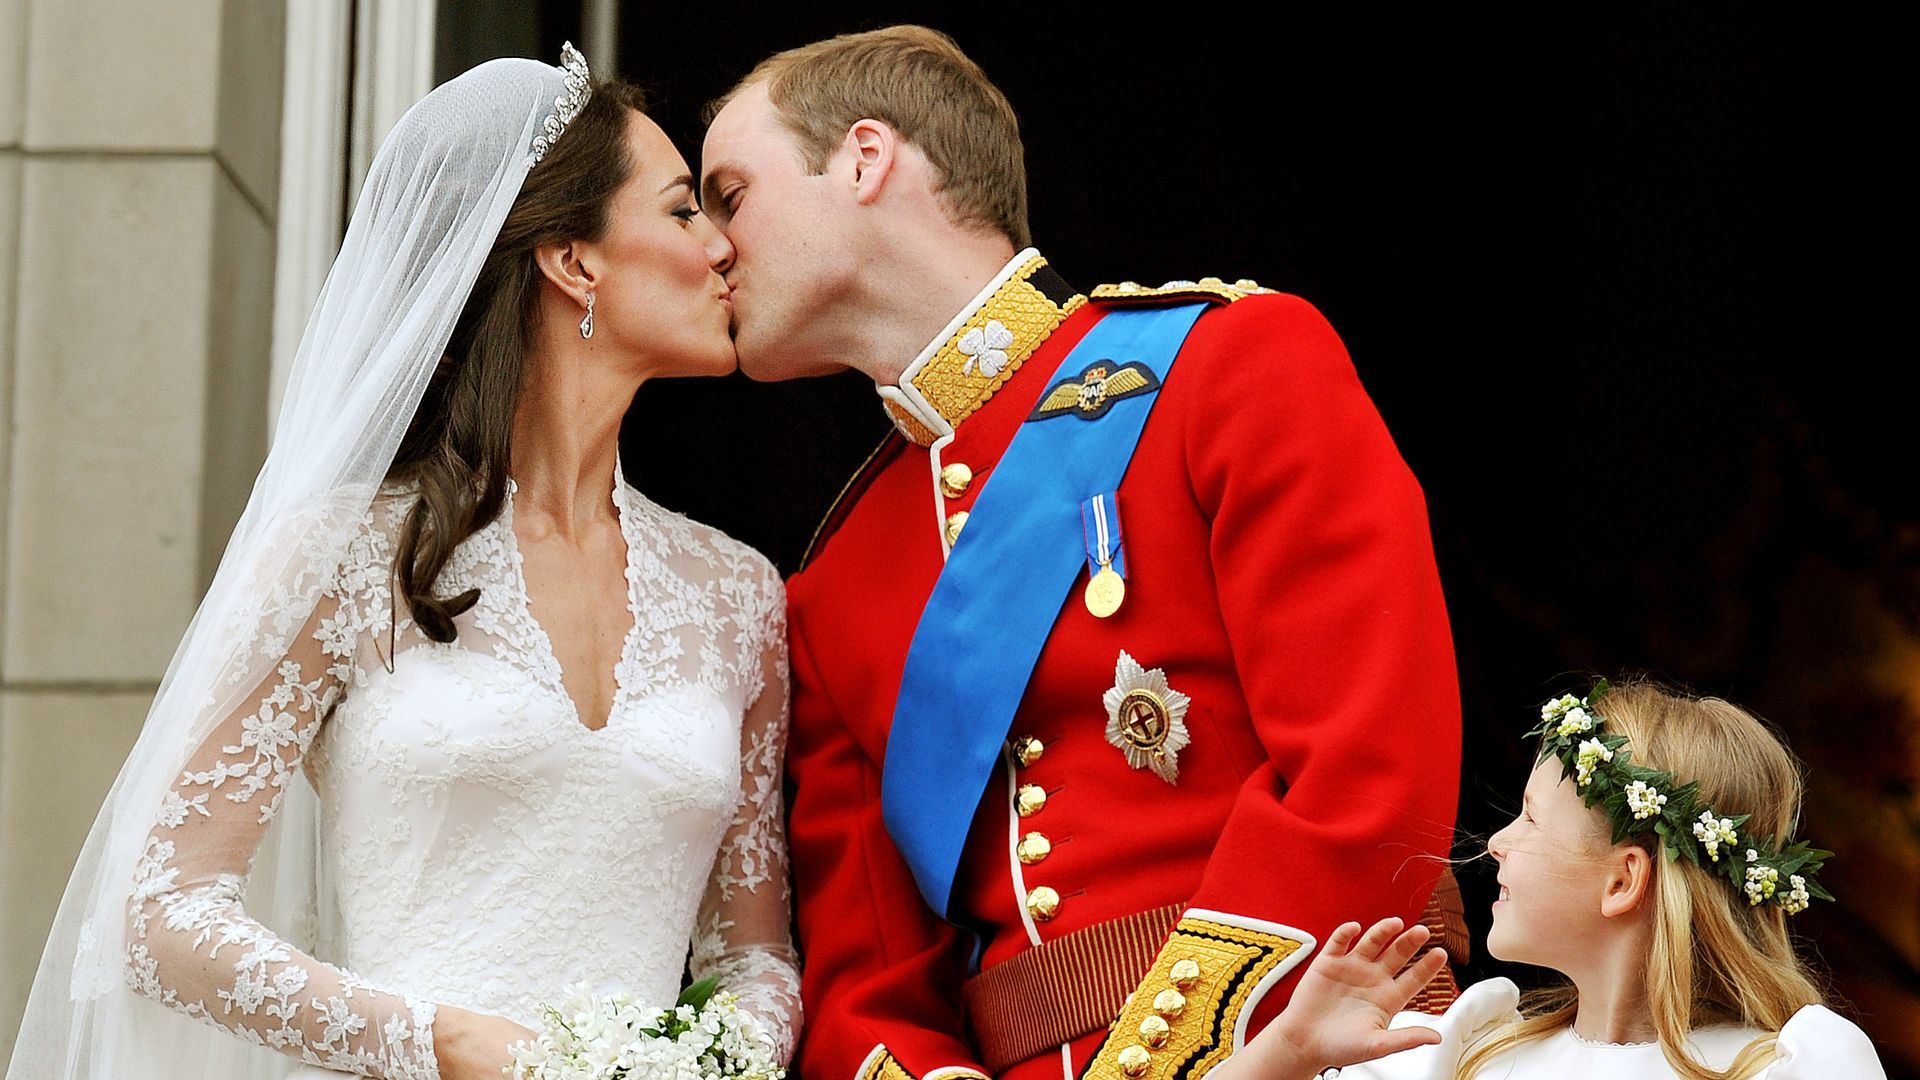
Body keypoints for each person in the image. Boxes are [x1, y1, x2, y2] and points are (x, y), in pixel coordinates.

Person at [7, 46, 799, 1080]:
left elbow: (753, 957)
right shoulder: (340, 555)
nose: (723, 246)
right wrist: (448, 1044)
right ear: (575, 262)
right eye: (685, 210)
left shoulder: (738, 594)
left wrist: (706, 1064)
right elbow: (158, 914)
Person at [699, 25, 1463, 1080]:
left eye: (730, 196)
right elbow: (863, 992)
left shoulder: (1227, 366)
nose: (710, 247)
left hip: (1311, 1042)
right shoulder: (835, 582)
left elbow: (1369, 784)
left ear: (865, 159)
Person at [1212, 679, 1887, 1079]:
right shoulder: (1463, 1055)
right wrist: (1288, 1050)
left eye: (1531, 818)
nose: (1497, 843)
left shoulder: (1783, 1070)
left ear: (1622, 881)